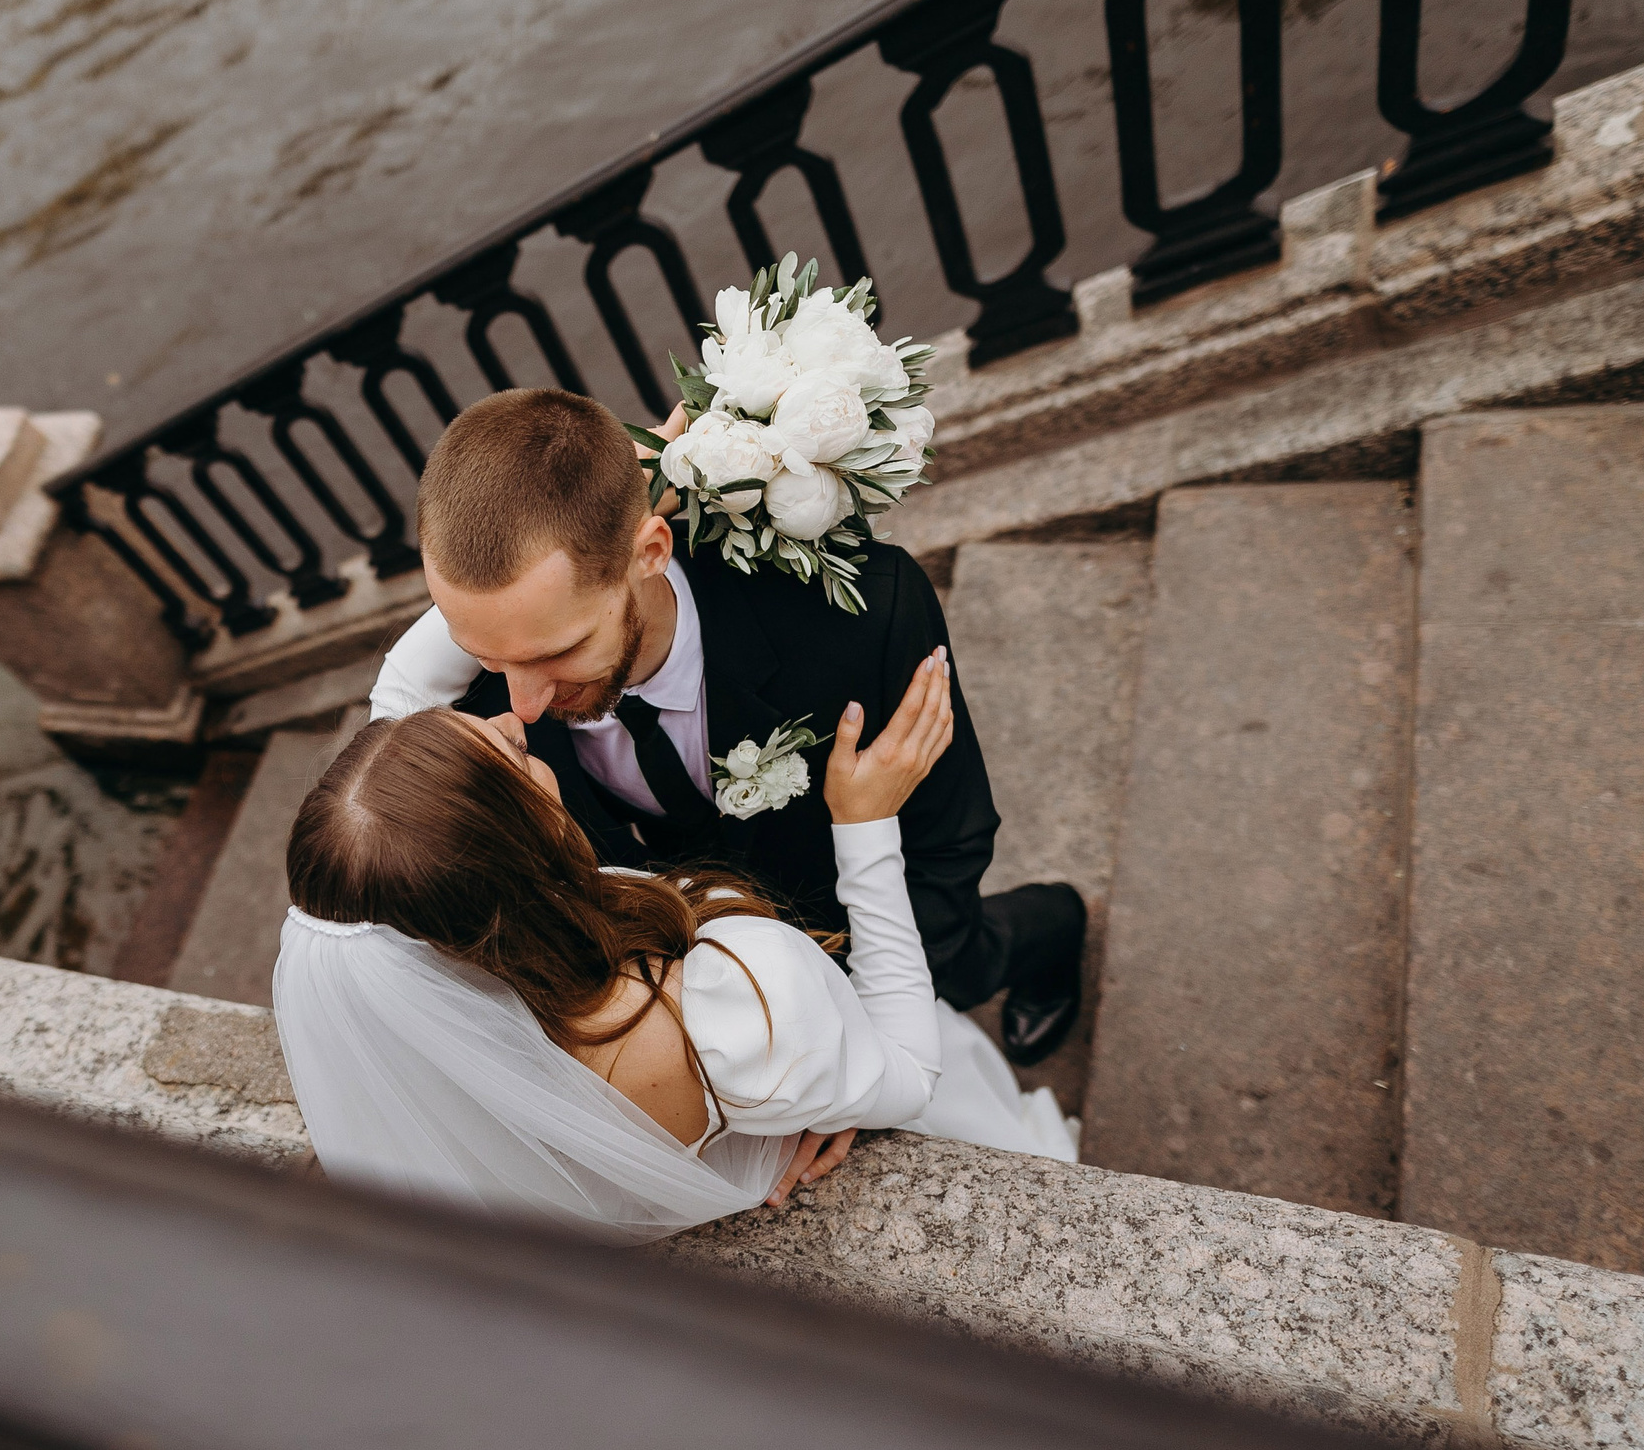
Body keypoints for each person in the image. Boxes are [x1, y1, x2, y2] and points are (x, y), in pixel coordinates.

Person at [369, 386, 1085, 1065]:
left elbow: (948, 838)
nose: (520, 707)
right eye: (483, 652)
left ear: (650, 551)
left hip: (849, 907)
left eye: (558, 652)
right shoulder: (465, 708)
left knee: (965, 964)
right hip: (695, 974)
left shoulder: (862, 614)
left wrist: (857, 1033)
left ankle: (1057, 925)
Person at [275, 650, 1077, 1243]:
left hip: (794, 1070)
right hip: (843, 1039)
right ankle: (1059, 927)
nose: (510, 714)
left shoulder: (387, 904)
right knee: (987, 966)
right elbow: (909, 1071)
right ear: (521, 847)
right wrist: (866, 826)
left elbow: (408, 680)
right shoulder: (717, 1018)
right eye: (516, 754)